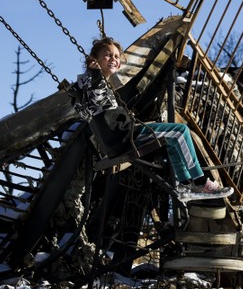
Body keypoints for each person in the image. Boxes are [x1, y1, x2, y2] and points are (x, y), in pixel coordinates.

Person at [83, 36, 231, 198]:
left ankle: (184, 186)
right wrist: (95, 73)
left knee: (172, 140)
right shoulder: (92, 81)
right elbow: (95, 98)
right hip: (124, 137)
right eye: (108, 55)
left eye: (117, 56)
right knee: (180, 131)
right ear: (94, 60)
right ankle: (201, 181)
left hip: (119, 138)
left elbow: (90, 108)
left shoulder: (97, 83)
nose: (114, 59)